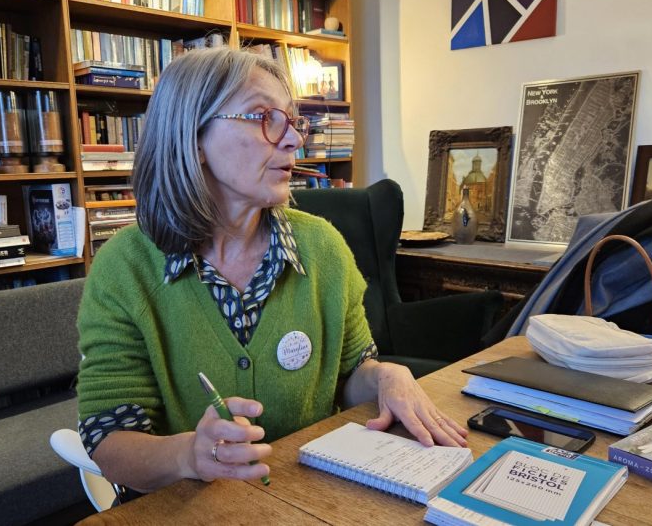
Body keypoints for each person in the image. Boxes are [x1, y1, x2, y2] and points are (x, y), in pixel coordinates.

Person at [76, 47, 468, 495]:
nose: (293, 140)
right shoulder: (124, 268)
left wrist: (385, 376)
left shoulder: (323, 247)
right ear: (194, 138)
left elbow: (349, 377)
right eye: (263, 116)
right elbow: (107, 438)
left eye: (290, 119)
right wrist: (189, 455)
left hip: (310, 502)